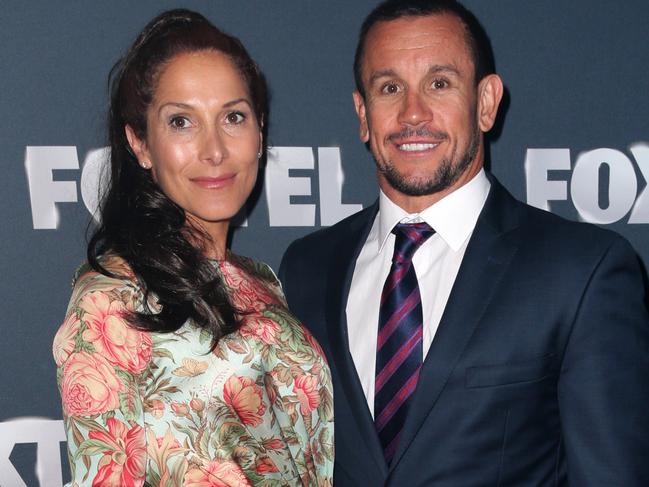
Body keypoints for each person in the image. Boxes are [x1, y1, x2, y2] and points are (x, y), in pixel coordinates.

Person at [279, 0, 649, 485]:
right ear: (363, 113)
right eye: (390, 87)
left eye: (439, 83)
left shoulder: (582, 272)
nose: (414, 113)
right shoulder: (306, 268)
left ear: (487, 102)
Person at [53, 9, 333, 486]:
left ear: (259, 132)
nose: (215, 149)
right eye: (181, 121)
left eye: (233, 117)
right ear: (140, 143)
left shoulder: (261, 281)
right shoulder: (110, 299)